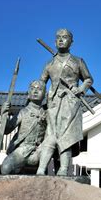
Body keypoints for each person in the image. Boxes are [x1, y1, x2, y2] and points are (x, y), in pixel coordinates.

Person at [36, 29, 93, 176]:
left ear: (71, 42)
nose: (61, 40)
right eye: (58, 38)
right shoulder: (49, 64)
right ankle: (41, 169)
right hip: (53, 103)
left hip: (70, 102)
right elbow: (41, 83)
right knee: (51, 134)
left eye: (65, 37)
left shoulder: (78, 61)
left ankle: (63, 169)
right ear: (55, 41)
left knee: (66, 135)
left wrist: (80, 89)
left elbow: (88, 79)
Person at [0, 80, 47, 174]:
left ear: (45, 94)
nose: (35, 91)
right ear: (28, 93)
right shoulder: (23, 112)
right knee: (5, 168)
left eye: (39, 89)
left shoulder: (47, 113)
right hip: (23, 149)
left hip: (40, 150)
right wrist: (4, 115)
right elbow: (7, 130)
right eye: (32, 88)